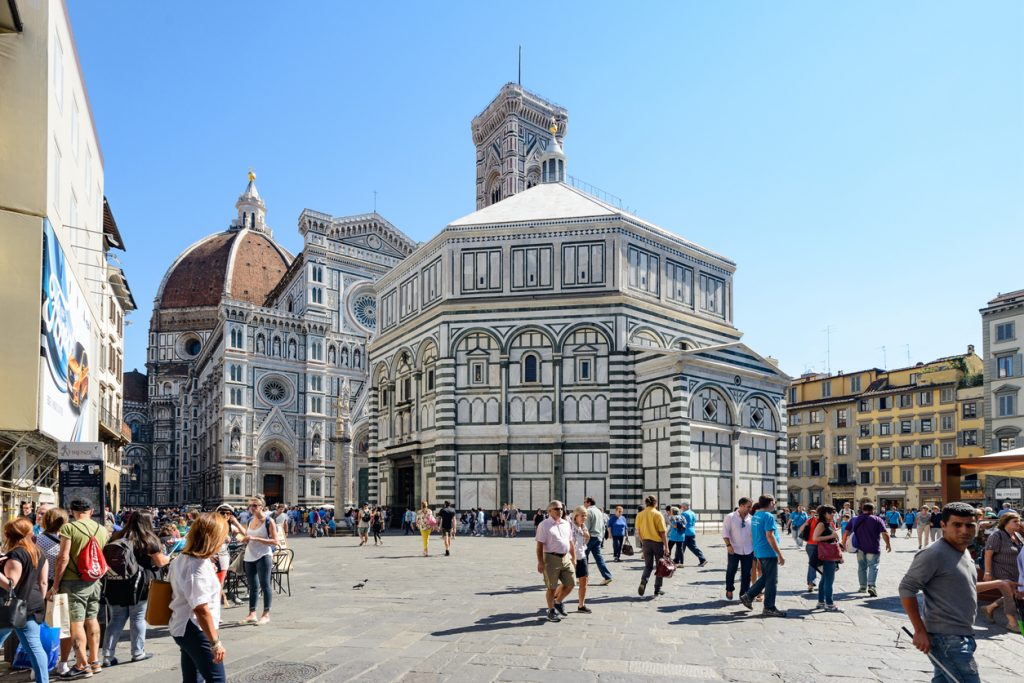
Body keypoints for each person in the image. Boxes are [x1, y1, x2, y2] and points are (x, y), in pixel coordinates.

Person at [899, 502, 1019, 683]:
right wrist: (919, 630)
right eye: (957, 525)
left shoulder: (962, 551)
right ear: (943, 525)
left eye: (969, 525)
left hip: (962, 635)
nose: (964, 530)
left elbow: (966, 586)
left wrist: (1000, 584)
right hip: (947, 638)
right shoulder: (934, 553)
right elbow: (906, 588)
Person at [49, 498, 108, 679]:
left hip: (73, 581)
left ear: (72, 511)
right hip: (94, 580)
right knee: (91, 618)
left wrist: (56, 584)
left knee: (75, 623)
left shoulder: (69, 528)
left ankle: (82, 664)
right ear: (91, 510)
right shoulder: (102, 529)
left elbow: (63, 558)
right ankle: (94, 660)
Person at [102, 510, 168, 666]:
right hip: (140, 584)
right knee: (138, 617)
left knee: (116, 619)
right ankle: (138, 652)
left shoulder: (117, 536)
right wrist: (168, 557)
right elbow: (160, 562)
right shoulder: (148, 539)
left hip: (116, 582)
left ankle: (107, 656)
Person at [169, 512, 228, 683]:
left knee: (192, 679)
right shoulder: (197, 565)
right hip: (194, 628)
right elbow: (200, 608)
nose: (225, 540)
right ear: (213, 537)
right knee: (217, 679)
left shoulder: (182, 558)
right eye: (223, 535)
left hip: (184, 626)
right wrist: (215, 642)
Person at [0, 517, 50, 683]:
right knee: (35, 646)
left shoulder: (15, 554)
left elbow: (11, 585)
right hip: (32, 603)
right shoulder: (38, 552)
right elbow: (43, 582)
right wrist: (38, 601)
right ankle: (43, 680)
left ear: (8, 535)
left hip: (12, 607)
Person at [740, 494, 787, 617]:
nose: (775, 505)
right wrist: (779, 554)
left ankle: (748, 596)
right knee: (772, 581)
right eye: (774, 502)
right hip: (768, 551)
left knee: (766, 577)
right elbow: (769, 536)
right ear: (770, 502)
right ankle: (769, 607)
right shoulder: (768, 516)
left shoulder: (756, 516)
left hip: (760, 551)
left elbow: (754, 534)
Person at [980, 511, 1022, 631]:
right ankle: (1012, 623)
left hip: (1016, 572)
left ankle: (989, 608)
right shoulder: (997, 535)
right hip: (1001, 571)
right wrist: (987, 572)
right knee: (1010, 595)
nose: (1018, 523)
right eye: (1015, 521)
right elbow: (988, 554)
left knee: (1015, 595)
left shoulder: (1017, 535)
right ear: (1005, 522)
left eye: (1019, 520)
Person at [535, 500, 576, 622]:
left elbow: (570, 542)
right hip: (551, 558)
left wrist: (573, 557)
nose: (560, 511)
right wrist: (540, 562)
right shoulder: (544, 525)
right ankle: (551, 610)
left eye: (561, 509)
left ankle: (558, 602)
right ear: (549, 511)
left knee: (571, 583)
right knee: (552, 587)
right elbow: (539, 545)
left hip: (565, 557)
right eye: (556, 509)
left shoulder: (566, 523)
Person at [240, 496, 278, 626]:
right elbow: (247, 536)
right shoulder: (250, 520)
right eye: (250, 505)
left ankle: (266, 614)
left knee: (265, 585)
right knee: (253, 587)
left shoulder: (269, 521)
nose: (252, 508)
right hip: (249, 556)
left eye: (255, 505)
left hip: (263, 556)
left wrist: (255, 539)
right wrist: (245, 538)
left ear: (262, 506)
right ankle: (252, 614)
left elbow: (275, 541)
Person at [843, 503, 890, 597]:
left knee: (862, 568)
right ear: (873, 510)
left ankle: (862, 587)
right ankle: (871, 586)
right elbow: (884, 533)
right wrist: (888, 544)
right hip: (873, 547)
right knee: (873, 566)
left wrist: (843, 542)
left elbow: (846, 531)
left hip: (860, 548)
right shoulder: (877, 519)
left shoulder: (854, 519)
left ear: (862, 509)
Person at [636, 495, 669, 597]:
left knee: (648, 566)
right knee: (660, 566)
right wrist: (666, 546)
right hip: (657, 543)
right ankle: (657, 589)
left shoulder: (640, 514)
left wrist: (643, 542)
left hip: (646, 542)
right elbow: (662, 532)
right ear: (656, 503)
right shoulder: (658, 514)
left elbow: (638, 531)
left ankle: (644, 581)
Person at [722, 497, 754, 600]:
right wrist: (728, 545)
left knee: (746, 573)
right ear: (741, 506)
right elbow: (725, 532)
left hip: (749, 550)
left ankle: (744, 594)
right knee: (731, 570)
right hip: (734, 549)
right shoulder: (730, 517)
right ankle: (729, 588)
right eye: (748, 506)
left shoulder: (751, 518)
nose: (750, 508)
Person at [811, 505, 841, 611]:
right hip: (825, 555)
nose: (833, 514)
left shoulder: (828, 524)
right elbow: (815, 538)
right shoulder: (821, 524)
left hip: (829, 554)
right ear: (824, 514)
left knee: (824, 579)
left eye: (834, 512)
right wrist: (831, 536)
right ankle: (830, 604)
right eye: (830, 512)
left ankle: (821, 602)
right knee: (829, 580)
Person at [582, 497, 612, 585]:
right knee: (599, 558)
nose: (583, 504)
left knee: (583, 557)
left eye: (584, 502)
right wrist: (601, 537)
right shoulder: (599, 511)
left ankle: (583, 578)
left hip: (590, 537)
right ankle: (607, 576)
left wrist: (584, 538)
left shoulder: (588, 511)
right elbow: (603, 526)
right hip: (598, 537)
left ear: (588, 502)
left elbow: (586, 527)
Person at [571, 506, 592, 613]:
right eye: (582, 515)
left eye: (585, 516)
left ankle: (581, 605)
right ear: (576, 516)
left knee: (584, 579)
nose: (584, 518)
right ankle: (556, 597)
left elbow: (587, 537)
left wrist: (586, 536)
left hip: (582, 555)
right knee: (568, 582)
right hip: (571, 557)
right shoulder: (570, 526)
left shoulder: (583, 526)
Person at [678, 502, 708, 567]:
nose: (681, 508)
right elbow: (694, 522)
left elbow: (681, 523)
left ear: (685, 507)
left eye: (682, 506)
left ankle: (678, 562)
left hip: (685, 532)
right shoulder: (693, 513)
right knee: (693, 547)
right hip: (692, 532)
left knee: (680, 548)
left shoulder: (683, 513)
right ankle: (702, 559)